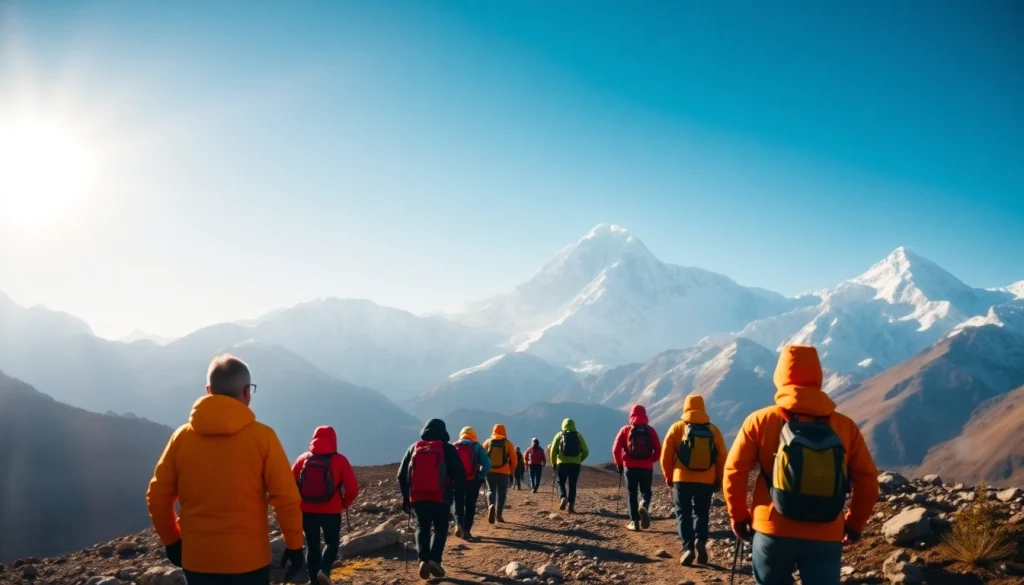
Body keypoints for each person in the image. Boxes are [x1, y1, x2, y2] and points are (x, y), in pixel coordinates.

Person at [724, 345, 880, 585]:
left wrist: (738, 516)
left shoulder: (760, 420)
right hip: (827, 531)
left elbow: (734, 472)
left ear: (779, 375)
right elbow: (867, 480)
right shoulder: (845, 426)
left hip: (772, 528)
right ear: (818, 376)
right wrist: (854, 523)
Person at [147, 355, 304, 585]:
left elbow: (157, 496)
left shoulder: (181, 438)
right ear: (246, 392)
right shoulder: (263, 438)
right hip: (249, 561)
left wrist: (172, 541)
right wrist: (295, 546)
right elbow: (286, 498)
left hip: (197, 560)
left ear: (208, 390)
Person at [660, 395, 727, 566]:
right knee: (702, 512)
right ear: (703, 407)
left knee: (683, 512)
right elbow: (722, 457)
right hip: (706, 479)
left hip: (682, 478)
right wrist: (718, 478)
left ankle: (688, 547)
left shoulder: (677, 428)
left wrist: (669, 476)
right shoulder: (713, 430)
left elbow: (665, 456)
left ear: (686, 407)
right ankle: (700, 541)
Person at [398, 419, 466, 581]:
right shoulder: (447, 449)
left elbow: (401, 475)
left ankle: (423, 559)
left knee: (422, 526)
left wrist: (406, 498)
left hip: (417, 497)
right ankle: (434, 560)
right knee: (440, 527)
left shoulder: (414, 448)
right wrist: (457, 495)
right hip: (441, 496)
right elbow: (460, 475)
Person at [291, 426, 360, 585]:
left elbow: (289, 483)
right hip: (332, 510)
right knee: (332, 543)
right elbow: (352, 489)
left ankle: (314, 581)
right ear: (333, 440)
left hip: (307, 510)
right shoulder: (340, 460)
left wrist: (298, 502)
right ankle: (325, 570)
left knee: (312, 547)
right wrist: (344, 503)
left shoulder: (303, 459)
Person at [612, 405, 662, 532]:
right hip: (647, 467)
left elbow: (616, 449)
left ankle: (634, 522)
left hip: (630, 467)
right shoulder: (650, 430)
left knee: (632, 493)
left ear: (631, 415)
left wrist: (619, 464)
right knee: (646, 491)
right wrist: (651, 460)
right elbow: (658, 449)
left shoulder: (625, 430)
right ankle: (644, 503)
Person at [452, 426, 491, 540]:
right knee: (470, 505)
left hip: (457, 481)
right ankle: (467, 530)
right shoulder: (477, 446)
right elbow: (488, 464)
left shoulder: (454, 446)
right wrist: (480, 475)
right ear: (474, 436)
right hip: (472, 481)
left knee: (457, 502)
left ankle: (458, 523)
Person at [549, 418, 589, 513]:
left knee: (561, 482)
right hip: (575, 464)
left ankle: (563, 497)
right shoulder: (578, 435)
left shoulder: (559, 435)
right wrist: (579, 460)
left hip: (562, 463)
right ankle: (571, 505)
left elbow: (553, 451)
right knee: (572, 484)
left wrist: (553, 463)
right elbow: (586, 451)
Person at [482, 424, 517, 524]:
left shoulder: (488, 442)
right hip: (504, 472)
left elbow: (481, 456)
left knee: (490, 490)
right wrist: (511, 471)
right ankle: (499, 515)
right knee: (502, 493)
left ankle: (491, 505)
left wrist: (483, 469)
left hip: (490, 471)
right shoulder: (508, 443)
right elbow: (514, 460)